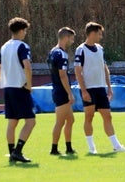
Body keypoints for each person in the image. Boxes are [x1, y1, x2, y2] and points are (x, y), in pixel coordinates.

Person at [74, 22, 125, 154]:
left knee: (108, 116)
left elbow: (104, 68)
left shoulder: (100, 48)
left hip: (101, 88)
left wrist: (109, 87)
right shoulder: (81, 49)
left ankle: (116, 145)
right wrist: (83, 90)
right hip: (88, 89)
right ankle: (91, 147)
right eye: (99, 34)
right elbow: (77, 71)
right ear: (93, 33)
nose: (101, 36)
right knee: (89, 117)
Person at [0, 17, 36, 162]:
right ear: (22, 30)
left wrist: (3, 81)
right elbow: (27, 66)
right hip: (20, 88)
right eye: (25, 31)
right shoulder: (22, 46)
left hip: (8, 89)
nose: (25, 34)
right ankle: (18, 151)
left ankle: (11, 152)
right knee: (30, 121)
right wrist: (29, 85)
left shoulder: (4, 46)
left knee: (12, 122)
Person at [47, 27, 76, 155]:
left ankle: (69, 147)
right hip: (61, 91)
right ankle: (54, 149)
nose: (73, 41)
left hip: (57, 89)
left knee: (70, 120)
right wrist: (69, 93)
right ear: (65, 38)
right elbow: (62, 75)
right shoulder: (62, 54)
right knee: (60, 121)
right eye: (71, 38)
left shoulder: (52, 52)